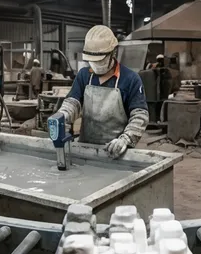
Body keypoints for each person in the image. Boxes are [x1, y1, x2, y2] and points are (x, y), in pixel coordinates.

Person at [52, 25, 148, 159]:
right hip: (85, 149)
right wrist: (63, 115)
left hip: (116, 153)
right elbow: (73, 102)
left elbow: (140, 115)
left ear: (113, 53)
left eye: (100, 60)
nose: (96, 64)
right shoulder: (84, 75)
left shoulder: (130, 79)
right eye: (92, 61)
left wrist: (126, 139)